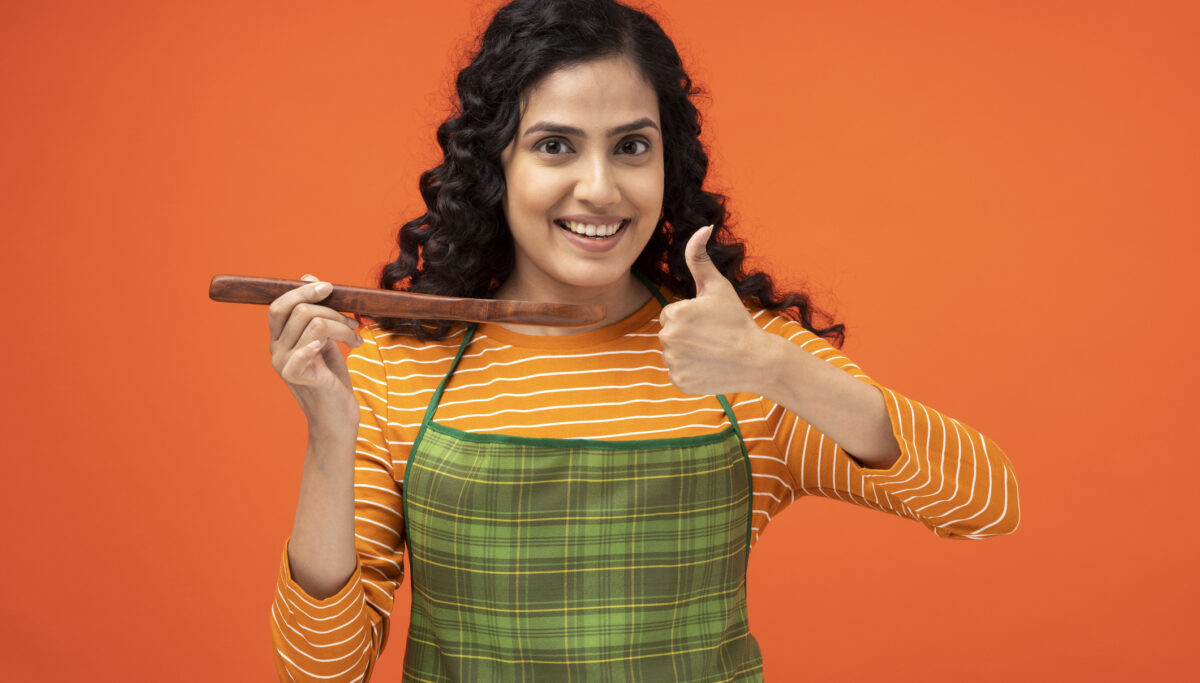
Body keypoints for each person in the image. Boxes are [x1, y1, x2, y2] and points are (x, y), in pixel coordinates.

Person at [266, 0, 1020, 680]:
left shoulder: (740, 360)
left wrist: (777, 366)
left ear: (668, 162)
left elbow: (986, 504)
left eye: (631, 146)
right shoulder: (398, 373)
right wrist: (332, 438)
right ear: (496, 163)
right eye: (555, 146)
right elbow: (320, 673)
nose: (600, 187)